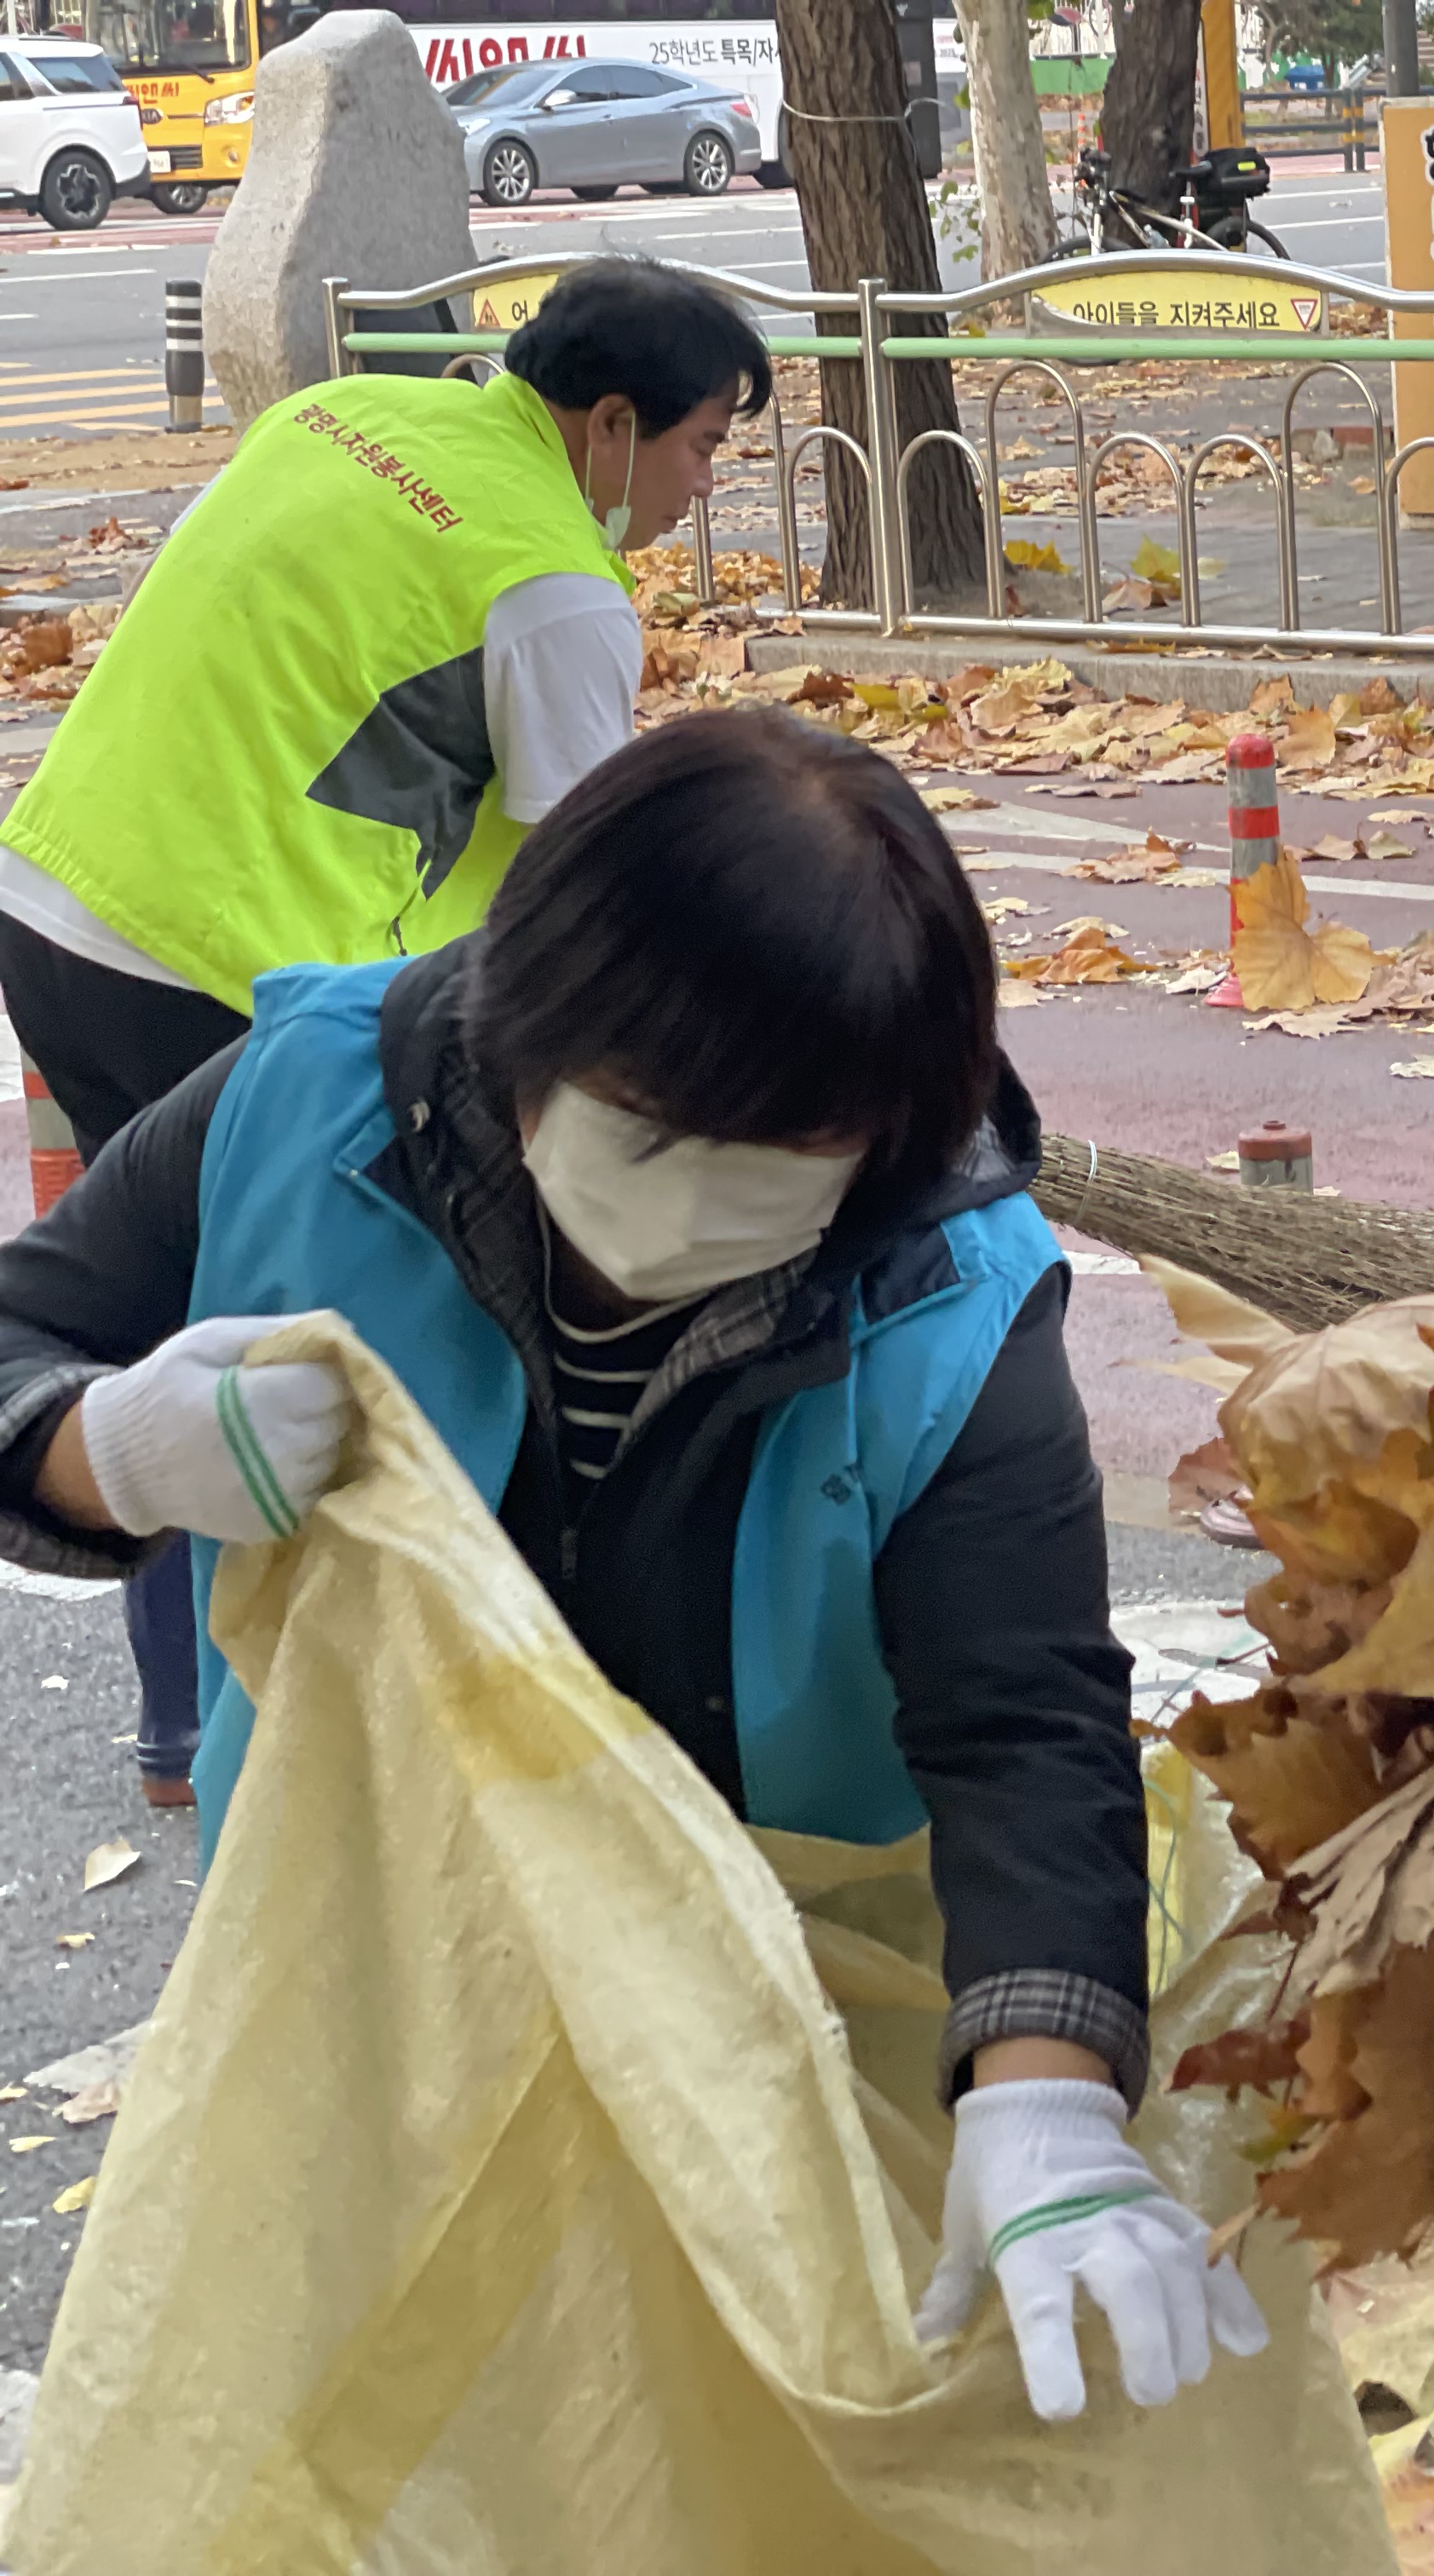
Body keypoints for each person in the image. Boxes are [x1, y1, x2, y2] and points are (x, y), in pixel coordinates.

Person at [0, 708, 1260, 2421]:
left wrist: (1043, 2097)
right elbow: (24, 1346)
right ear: (522, 1027)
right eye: (649, 1129)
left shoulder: (948, 1292)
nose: (687, 1204)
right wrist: (109, 1449)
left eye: (782, 1159)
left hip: (777, 2027)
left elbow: (1023, 1719)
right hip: (358, 1986)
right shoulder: (299, 1106)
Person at [0, 256, 769, 1809]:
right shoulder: (554, 585)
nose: (707, 487)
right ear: (612, 425)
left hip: (55, 892)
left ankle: (177, 1733)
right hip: (228, 969)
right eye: (703, 447)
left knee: (162, 1321)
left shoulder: (342, 416)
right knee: (297, 1352)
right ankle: (290, 1749)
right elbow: (583, 898)